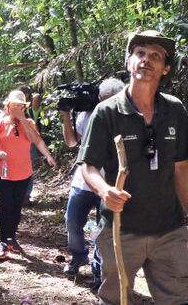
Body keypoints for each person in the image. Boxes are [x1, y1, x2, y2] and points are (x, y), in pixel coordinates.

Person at [78, 30, 188, 304]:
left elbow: (181, 168)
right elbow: (88, 167)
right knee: (116, 299)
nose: (146, 60)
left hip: (168, 229)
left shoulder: (175, 110)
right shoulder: (107, 112)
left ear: (165, 67)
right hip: (121, 229)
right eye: (140, 54)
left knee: (180, 299)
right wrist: (104, 191)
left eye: (155, 56)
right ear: (129, 62)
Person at [60, 78, 125, 285]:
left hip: (110, 185)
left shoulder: (127, 118)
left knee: (103, 230)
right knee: (72, 221)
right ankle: (78, 256)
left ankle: (99, 270)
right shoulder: (88, 115)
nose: (104, 103)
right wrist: (66, 117)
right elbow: (71, 142)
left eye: (109, 99)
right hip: (83, 182)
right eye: (102, 99)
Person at [0, 91, 42, 260]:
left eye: (20, 105)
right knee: (5, 205)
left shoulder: (29, 122)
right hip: (3, 171)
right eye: (14, 105)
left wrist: (22, 119)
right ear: (8, 106)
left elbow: (34, 139)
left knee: (17, 205)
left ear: (24, 107)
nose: (17, 108)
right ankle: (2, 241)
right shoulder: (0, 122)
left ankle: (11, 238)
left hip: (23, 172)